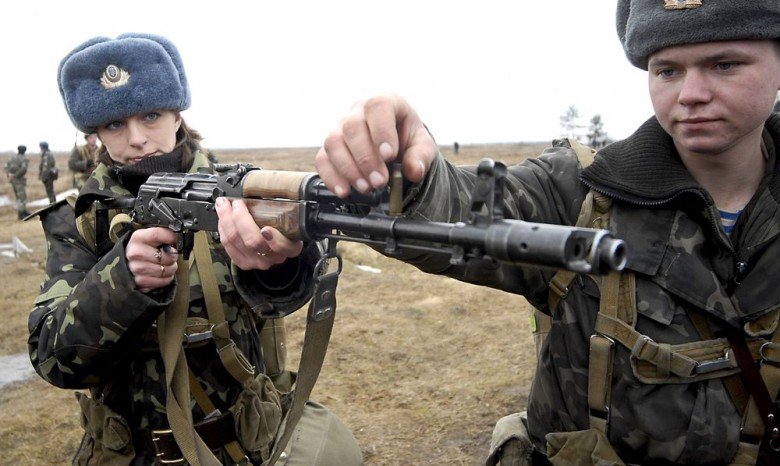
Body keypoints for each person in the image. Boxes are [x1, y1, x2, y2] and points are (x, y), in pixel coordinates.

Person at [314, 1, 780, 465]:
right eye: (667, 71)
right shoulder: (580, 193)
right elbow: (458, 209)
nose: (691, 94)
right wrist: (405, 175)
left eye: (724, 65)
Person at [27, 33, 362, 465]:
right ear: (95, 135)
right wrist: (122, 281)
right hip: (131, 454)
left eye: (151, 116)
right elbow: (55, 361)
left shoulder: (238, 193)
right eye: (114, 125)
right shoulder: (81, 221)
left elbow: (284, 299)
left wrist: (279, 264)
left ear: (177, 115)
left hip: (244, 444)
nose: (137, 139)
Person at [4, 144, 30, 219]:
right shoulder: (23, 158)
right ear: (24, 151)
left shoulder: (12, 157)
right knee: (22, 197)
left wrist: (9, 174)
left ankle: (23, 211)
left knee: (18, 197)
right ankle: (21, 214)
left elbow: (6, 166)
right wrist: (15, 175)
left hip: (13, 180)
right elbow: (23, 169)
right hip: (19, 180)